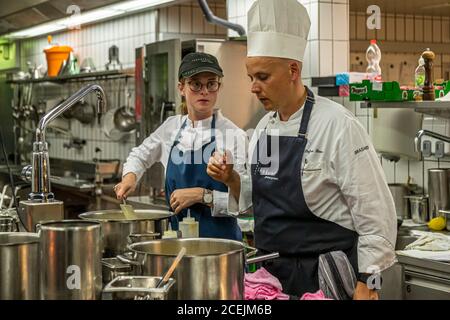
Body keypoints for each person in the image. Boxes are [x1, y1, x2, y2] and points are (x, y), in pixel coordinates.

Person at [207, 0, 397, 299]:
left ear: (293, 70)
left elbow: (375, 213)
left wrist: (368, 281)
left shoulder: (337, 125)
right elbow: (257, 201)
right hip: (270, 279)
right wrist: (232, 179)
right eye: (250, 77)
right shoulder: (264, 129)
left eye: (263, 77)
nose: (253, 88)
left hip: (325, 278)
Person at [115, 52, 247, 241]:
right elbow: (140, 155)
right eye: (195, 84)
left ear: (219, 86)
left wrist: (203, 196)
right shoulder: (171, 127)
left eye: (211, 83)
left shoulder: (234, 136)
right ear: (181, 88)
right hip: (178, 246)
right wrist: (130, 177)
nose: (204, 91)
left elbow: (245, 202)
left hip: (222, 251)